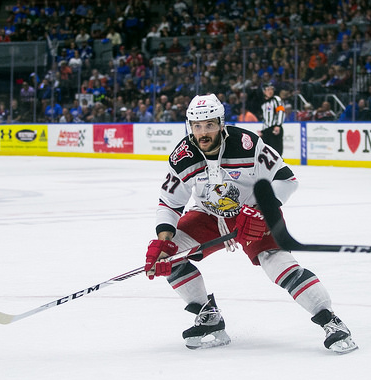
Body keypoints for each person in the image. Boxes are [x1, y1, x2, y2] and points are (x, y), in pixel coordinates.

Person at [144, 93, 357, 354]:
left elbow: (286, 180)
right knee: (170, 254)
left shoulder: (248, 145)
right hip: (210, 215)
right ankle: (208, 316)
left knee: (277, 263)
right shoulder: (182, 157)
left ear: (221, 123)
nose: (203, 132)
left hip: (254, 212)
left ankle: (330, 321)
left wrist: (261, 210)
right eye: (197, 126)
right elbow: (169, 203)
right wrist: (164, 240)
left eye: (209, 124)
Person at [259, 83, 285, 156]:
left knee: (276, 152)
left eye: (271, 89)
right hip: (266, 130)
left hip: (274, 128)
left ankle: (279, 167)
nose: (270, 91)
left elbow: (281, 111)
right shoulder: (263, 103)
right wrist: (262, 131)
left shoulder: (276, 99)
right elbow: (265, 119)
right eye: (268, 89)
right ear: (264, 91)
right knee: (266, 153)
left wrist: (278, 125)